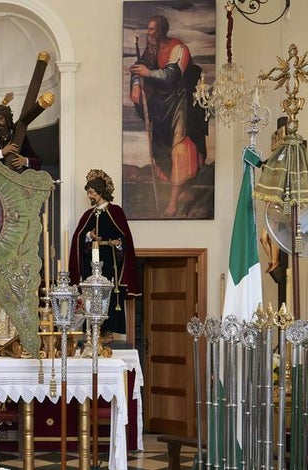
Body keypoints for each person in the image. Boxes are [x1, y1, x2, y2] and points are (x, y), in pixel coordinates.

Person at [129, 14, 208, 218]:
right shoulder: (151, 51)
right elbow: (139, 68)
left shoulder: (179, 49)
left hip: (181, 104)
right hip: (160, 108)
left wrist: (148, 74)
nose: (149, 33)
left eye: (153, 29)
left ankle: (172, 202)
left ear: (162, 30)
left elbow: (171, 75)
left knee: (180, 148)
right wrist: (137, 86)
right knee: (161, 150)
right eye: (148, 29)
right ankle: (182, 193)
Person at [68, 169, 138, 339]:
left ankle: (108, 332)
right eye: (88, 193)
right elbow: (78, 237)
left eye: (91, 192)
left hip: (110, 260)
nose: (89, 196)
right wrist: (88, 236)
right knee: (92, 294)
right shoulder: (88, 215)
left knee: (110, 294)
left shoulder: (116, 212)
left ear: (100, 192)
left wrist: (118, 243)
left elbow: (124, 237)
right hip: (92, 260)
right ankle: (92, 330)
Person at [0, 103, 40, 172]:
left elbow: (38, 162)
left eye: (0, 118)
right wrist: (1, 153)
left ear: (7, 118)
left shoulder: (19, 136)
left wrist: (25, 161)